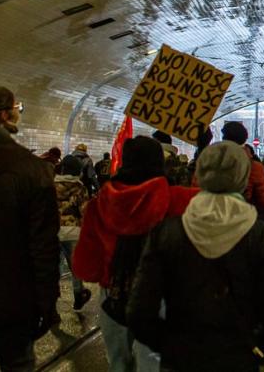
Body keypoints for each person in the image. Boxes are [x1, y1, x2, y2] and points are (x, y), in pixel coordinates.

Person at [127, 141, 264, 372]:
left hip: (181, 361)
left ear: (200, 174)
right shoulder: (263, 236)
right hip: (239, 360)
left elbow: (139, 313)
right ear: (243, 177)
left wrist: (171, 347)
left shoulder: (167, 233)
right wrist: (257, 349)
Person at [73, 135, 198, 372]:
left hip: (115, 292)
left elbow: (85, 267)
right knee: (152, 361)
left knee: (118, 361)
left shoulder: (99, 204)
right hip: (161, 293)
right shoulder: (179, 199)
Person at [0, 85, 60, 371]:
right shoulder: (31, 169)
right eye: (18, 108)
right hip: (12, 298)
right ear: (4, 116)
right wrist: (47, 301)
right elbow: (43, 244)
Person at [55, 154, 92, 311]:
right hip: (73, 232)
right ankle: (78, 295)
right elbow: (85, 211)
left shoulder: (51, 185)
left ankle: (51, 299)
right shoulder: (79, 187)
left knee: (53, 267)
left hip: (53, 232)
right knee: (74, 267)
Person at [217, 121, 264, 216]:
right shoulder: (255, 167)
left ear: (223, 139)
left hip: (216, 218)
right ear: (244, 139)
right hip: (245, 219)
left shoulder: (211, 162)